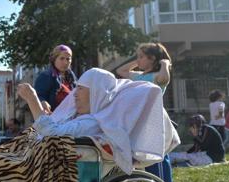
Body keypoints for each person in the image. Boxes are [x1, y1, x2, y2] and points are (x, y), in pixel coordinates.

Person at [18, 67, 179, 174]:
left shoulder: (96, 122)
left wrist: (32, 99)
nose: (74, 94)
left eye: (80, 89)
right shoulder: (90, 118)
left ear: (96, 93)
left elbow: (51, 134)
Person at [117, 42, 174, 182]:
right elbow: (121, 70)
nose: (138, 59)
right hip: (141, 122)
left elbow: (164, 79)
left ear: (152, 58)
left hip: (154, 121)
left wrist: (165, 64)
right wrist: (138, 61)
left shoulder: (156, 76)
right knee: (147, 156)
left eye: (141, 56)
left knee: (158, 159)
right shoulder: (138, 76)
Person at [34, 44, 77, 113]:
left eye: (68, 59)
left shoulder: (72, 78)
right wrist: (42, 102)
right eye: (62, 58)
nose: (65, 62)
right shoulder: (46, 76)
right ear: (54, 59)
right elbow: (37, 97)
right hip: (53, 117)